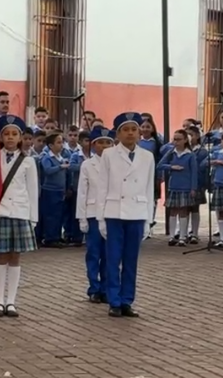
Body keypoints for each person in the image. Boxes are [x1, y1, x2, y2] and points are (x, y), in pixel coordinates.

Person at [97, 112, 155, 318]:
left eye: (134, 129)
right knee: (113, 259)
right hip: (114, 211)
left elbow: (149, 189)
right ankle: (114, 300)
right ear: (118, 134)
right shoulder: (109, 155)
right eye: (126, 130)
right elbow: (102, 187)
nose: (130, 133)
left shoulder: (147, 156)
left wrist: (148, 218)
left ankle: (127, 300)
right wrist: (100, 218)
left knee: (131, 261)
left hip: (137, 212)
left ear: (140, 132)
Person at [0, 115, 39, 318]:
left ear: (20, 137)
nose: (10, 138)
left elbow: (32, 191)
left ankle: (12, 301)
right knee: (1, 256)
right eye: (6, 134)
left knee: (15, 257)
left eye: (14, 134)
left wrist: (33, 218)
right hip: (1, 211)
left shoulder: (28, 161)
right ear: (0, 137)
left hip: (20, 212)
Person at [76, 126, 114, 303]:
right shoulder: (87, 165)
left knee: (109, 253)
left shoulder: (116, 164)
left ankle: (106, 287)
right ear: (93, 145)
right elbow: (82, 193)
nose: (104, 146)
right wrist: (82, 217)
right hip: (92, 214)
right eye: (101, 143)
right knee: (93, 252)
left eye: (108, 143)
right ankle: (94, 287)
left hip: (111, 214)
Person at [158, 129, 199, 247]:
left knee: (183, 211)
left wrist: (193, 188)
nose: (176, 142)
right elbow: (160, 165)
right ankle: (172, 236)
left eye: (179, 139)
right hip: (173, 186)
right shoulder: (171, 152)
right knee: (173, 211)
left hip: (185, 187)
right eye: (174, 139)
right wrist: (172, 167)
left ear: (185, 140)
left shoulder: (190, 155)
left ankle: (182, 236)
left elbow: (194, 173)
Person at [39, 132, 69, 247]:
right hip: (50, 190)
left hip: (60, 190)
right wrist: (60, 167)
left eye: (62, 142)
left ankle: (56, 236)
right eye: (58, 142)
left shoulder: (61, 157)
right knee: (50, 215)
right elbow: (47, 170)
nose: (61, 145)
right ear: (51, 145)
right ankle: (49, 238)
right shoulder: (47, 157)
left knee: (59, 214)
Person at [211, 134, 223, 247]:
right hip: (220, 185)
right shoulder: (217, 153)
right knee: (222, 212)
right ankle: (222, 239)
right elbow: (203, 163)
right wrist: (214, 162)